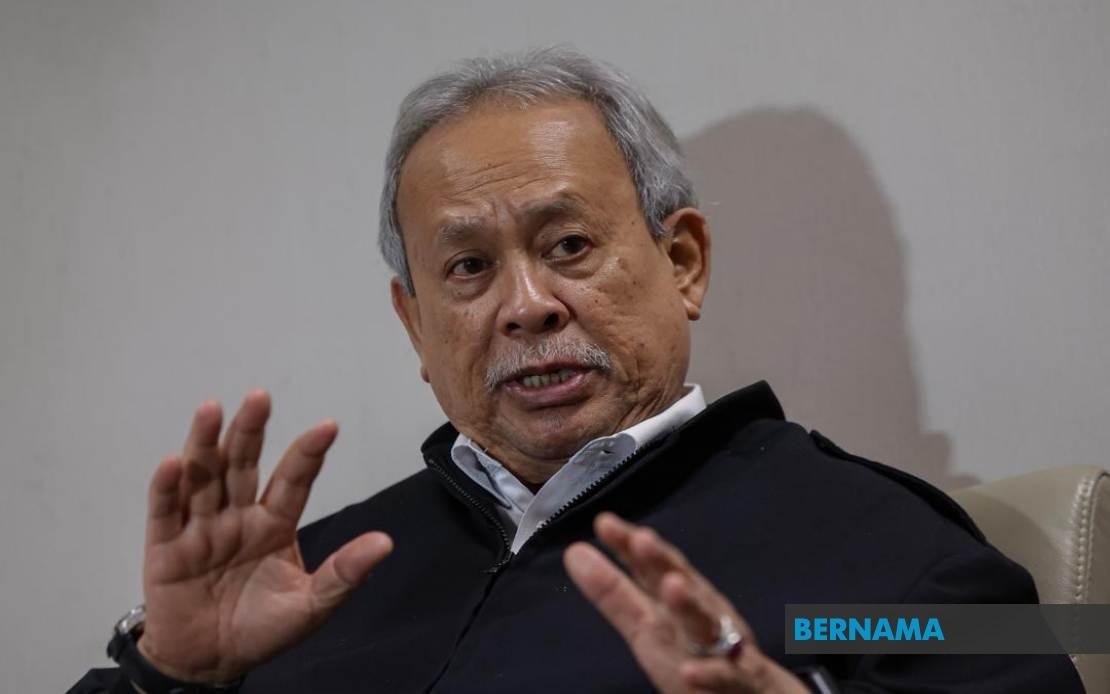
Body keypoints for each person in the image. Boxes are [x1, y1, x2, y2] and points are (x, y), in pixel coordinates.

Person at [71, 47, 1083, 694]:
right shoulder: (306, 579)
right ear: (415, 324)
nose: (526, 305)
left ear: (682, 263)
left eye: (568, 246)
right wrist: (166, 676)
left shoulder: (889, 556)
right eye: (469, 268)